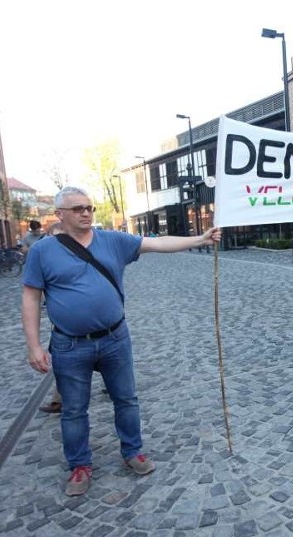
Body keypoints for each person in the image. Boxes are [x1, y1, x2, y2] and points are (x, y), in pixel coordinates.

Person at [22, 187, 221, 496]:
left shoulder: (112, 240)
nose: (86, 212)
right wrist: (34, 345)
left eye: (89, 207)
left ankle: (132, 451)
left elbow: (157, 243)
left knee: (126, 399)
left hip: (115, 338)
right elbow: (31, 297)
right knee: (74, 409)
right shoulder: (43, 251)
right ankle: (79, 465)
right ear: (60, 214)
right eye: (77, 209)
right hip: (70, 344)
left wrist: (199, 239)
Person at [38, 222, 66, 414]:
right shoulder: (46, 258)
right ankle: (59, 399)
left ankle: (59, 400)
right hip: (62, 328)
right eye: (53, 237)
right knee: (62, 363)